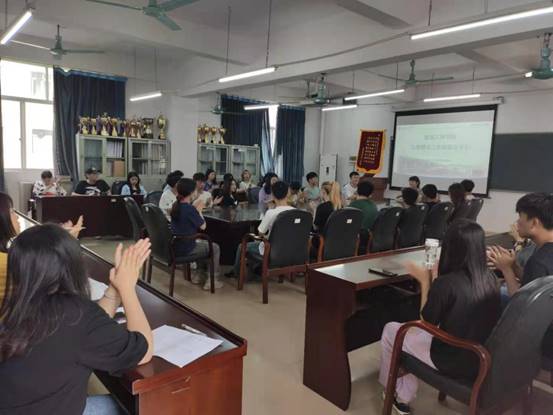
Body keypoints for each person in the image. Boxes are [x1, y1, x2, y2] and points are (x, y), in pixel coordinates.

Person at [0, 224, 153, 415]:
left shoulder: (19, 306)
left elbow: (87, 327)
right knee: (138, 407)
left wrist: (115, 288)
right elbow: (143, 350)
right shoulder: (75, 314)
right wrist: (128, 289)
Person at [379, 219, 500, 415]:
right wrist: (436, 280)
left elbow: (425, 323)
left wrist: (425, 282)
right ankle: (399, 386)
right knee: (406, 333)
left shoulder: (447, 283)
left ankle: (397, 395)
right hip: (478, 358)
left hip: (450, 359)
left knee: (391, 330)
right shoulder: (490, 278)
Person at [488, 193, 553, 299]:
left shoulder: (539, 261)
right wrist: (514, 266)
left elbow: (520, 302)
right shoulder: (543, 257)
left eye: (520, 217)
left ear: (534, 223)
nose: (517, 222)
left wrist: (506, 269)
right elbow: (533, 282)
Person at [228, 181, 294, 278]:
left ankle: (237, 273)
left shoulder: (271, 213)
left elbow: (260, 233)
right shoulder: (295, 211)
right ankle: (257, 268)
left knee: (242, 246)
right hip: (290, 249)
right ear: (288, 193)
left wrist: (270, 209)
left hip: (271, 250)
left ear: (272, 195)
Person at [170, 178, 223, 290]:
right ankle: (212, 280)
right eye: (195, 190)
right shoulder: (190, 209)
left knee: (200, 242)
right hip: (187, 248)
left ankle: (199, 275)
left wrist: (195, 209)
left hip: (175, 245)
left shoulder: (176, 205)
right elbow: (203, 226)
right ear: (191, 192)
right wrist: (199, 210)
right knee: (215, 247)